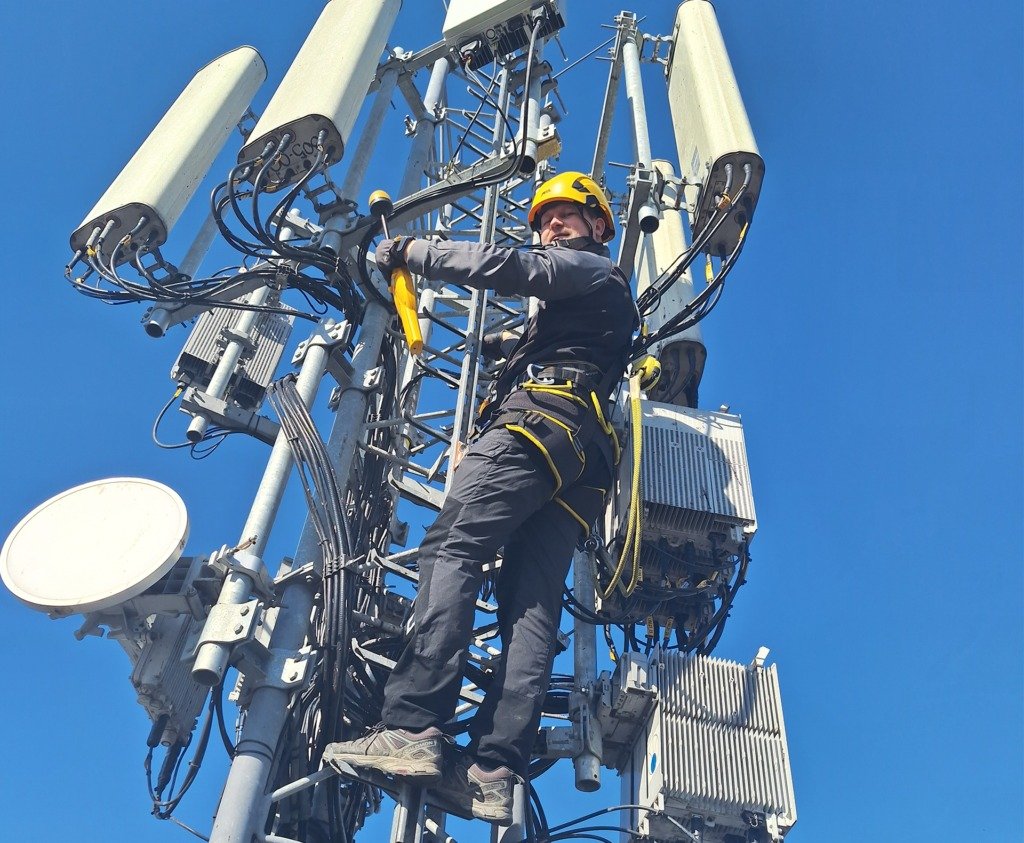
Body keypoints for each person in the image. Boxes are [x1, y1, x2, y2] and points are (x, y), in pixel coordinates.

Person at [323, 172, 638, 824]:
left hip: (537, 424)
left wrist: (416, 254)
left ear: (599, 226)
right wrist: (505, 347)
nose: (551, 225)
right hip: (582, 456)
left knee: (452, 548)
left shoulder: (587, 270)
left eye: (566, 215)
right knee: (529, 605)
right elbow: (556, 334)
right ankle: (495, 769)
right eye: (544, 219)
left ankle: (411, 726)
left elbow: (507, 265)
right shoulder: (603, 302)